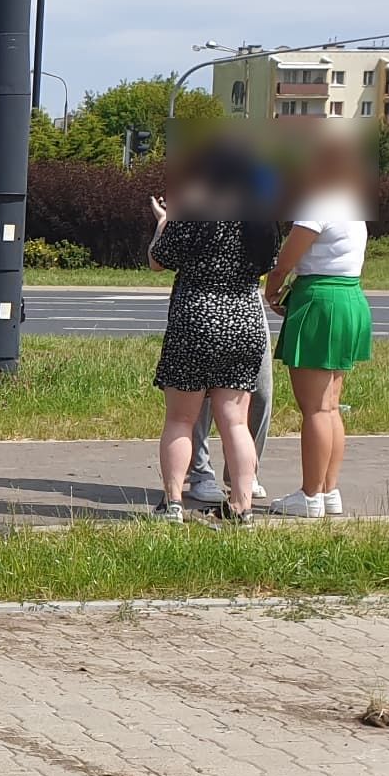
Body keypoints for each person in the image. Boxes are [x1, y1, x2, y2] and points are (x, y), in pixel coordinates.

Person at [147, 139, 278, 524]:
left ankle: (173, 503)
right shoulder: (260, 213)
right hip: (244, 317)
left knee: (181, 419)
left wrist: (162, 221)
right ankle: (242, 505)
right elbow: (268, 260)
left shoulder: (194, 206)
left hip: (196, 316)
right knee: (236, 420)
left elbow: (159, 260)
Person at [264, 134, 372, 518]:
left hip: (320, 300)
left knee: (313, 408)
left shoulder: (317, 204)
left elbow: (285, 260)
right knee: (330, 405)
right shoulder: (351, 207)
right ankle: (328, 490)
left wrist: (271, 291)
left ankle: (309, 495)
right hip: (350, 297)